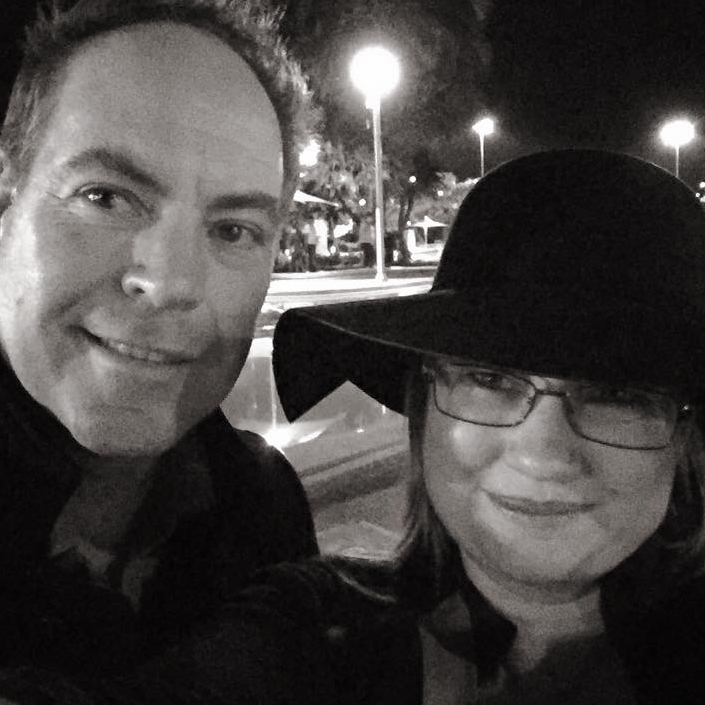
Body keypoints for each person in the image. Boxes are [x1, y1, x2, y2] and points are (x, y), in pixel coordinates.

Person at [270, 150, 705, 703]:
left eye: (617, 394)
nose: (543, 454)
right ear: (423, 409)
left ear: (686, 440)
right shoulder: (301, 633)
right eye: (491, 379)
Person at [0, 0, 323, 701]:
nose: (173, 282)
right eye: (106, 197)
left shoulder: (262, 510)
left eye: (233, 230)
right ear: (6, 202)